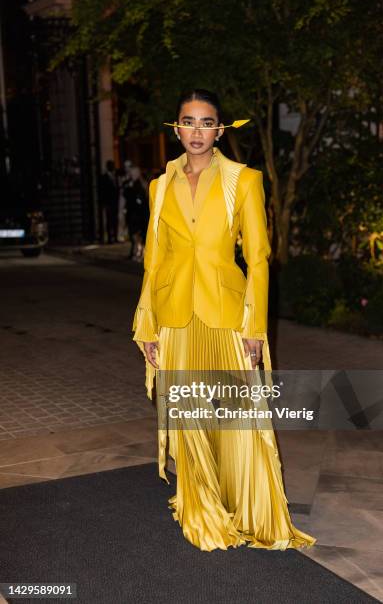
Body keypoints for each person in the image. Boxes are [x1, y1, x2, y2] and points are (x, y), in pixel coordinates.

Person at [132, 88, 316, 551]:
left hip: (228, 315)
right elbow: (153, 261)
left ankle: (249, 510)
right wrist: (147, 323)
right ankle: (203, 512)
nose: (196, 131)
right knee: (190, 420)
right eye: (187, 121)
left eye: (205, 122)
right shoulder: (159, 186)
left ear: (220, 129)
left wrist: (255, 327)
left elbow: (258, 258)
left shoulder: (244, 181)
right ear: (176, 127)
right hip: (175, 316)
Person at [122, 164, 149, 261]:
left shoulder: (140, 184)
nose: (131, 174)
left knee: (139, 233)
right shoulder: (129, 183)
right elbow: (125, 195)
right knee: (134, 233)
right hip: (133, 212)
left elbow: (141, 198)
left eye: (132, 172)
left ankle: (140, 251)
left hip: (139, 213)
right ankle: (137, 251)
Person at [99, 160, 119, 243]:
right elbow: (102, 191)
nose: (113, 167)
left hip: (115, 202)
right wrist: (104, 203)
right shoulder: (104, 177)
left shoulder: (115, 176)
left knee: (115, 220)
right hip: (108, 203)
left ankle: (115, 237)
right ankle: (110, 238)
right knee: (109, 221)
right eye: (111, 165)